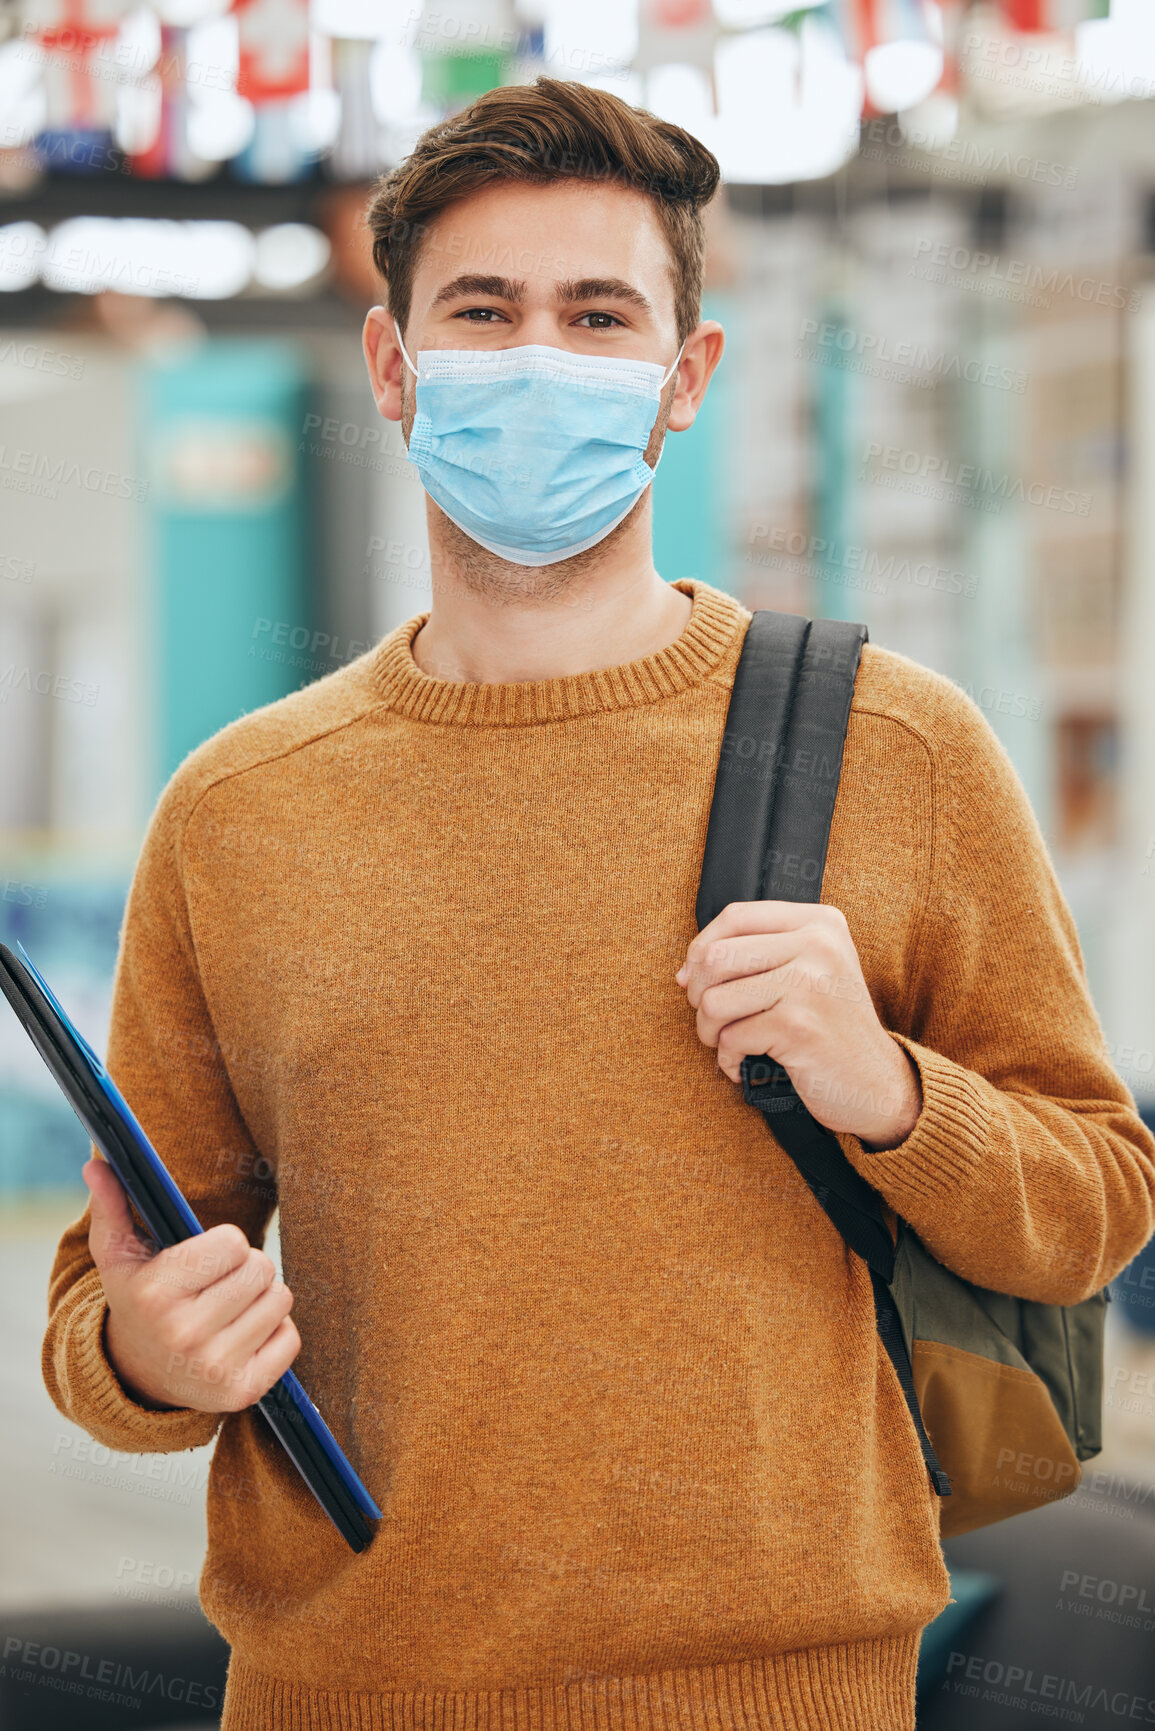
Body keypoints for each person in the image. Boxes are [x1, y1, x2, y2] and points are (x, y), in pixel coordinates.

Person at [43, 76, 1155, 1731]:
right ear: (391, 366)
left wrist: (891, 1093)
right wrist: (145, 1358)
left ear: (683, 375)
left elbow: (1099, 1205)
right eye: (482, 314)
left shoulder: (900, 749)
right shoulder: (238, 811)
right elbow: (107, 1295)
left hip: (789, 1699)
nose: (536, 358)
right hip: (342, 1693)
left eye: (597, 314)